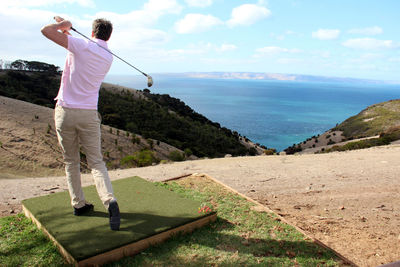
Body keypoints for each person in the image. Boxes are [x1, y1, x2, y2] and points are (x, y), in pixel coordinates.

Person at [41, 17, 120, 230]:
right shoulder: (107, 56)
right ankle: (110, 201)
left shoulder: (81, 45)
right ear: (108, 36)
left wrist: (63, 24)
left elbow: (46, 31)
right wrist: (67, 31)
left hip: (65, 112)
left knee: (71, 161)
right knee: (96, 162)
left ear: (92, 32)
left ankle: (78, 204)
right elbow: (75, 45)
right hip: (88, 115)